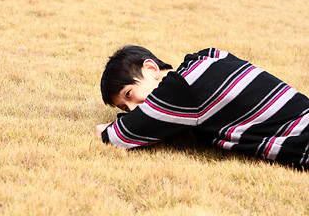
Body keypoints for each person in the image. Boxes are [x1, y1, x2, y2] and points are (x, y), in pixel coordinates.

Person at [96, 45, 309, 168]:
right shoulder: (208, 58)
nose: (133, 109)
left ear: (151, 68)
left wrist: (107, 129)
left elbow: (119, 136)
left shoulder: (183, 89)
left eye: (129, 94)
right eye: (124, 108)